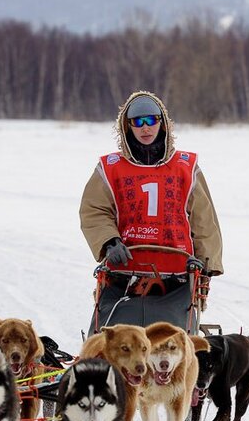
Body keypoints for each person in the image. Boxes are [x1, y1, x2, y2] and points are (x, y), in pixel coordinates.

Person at [79, 90, 224, 332]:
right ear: (127, 126)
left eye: (151, 120)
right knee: (110, 342)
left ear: (163, 122)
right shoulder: (109, 169)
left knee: (174, 342)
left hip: (177, 274)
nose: (145, 128)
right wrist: (109, 241)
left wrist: (207, 264)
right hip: (124, 272)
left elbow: (204, 219)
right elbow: (94, 211)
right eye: (138, 122)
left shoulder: (185, 168)